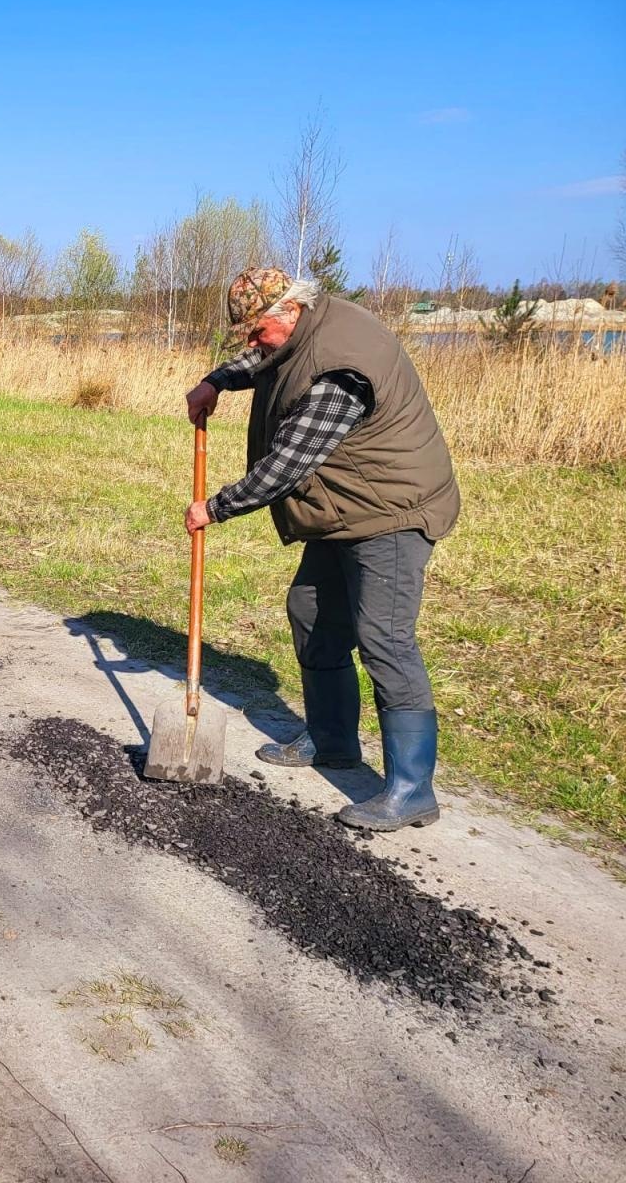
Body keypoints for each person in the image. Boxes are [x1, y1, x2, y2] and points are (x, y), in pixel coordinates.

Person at [183, 267, 460, 832]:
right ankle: (333, 741)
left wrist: (214, 508)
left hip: (392, 510)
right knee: (310, 609)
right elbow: (264, 361)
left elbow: (287, 465)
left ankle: (412, 790)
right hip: (347, 509)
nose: (252, 345)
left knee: (384, 639)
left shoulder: (341, 367)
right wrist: (216, 380)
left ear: (291, 311)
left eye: (257, 332)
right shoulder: (300, 331)